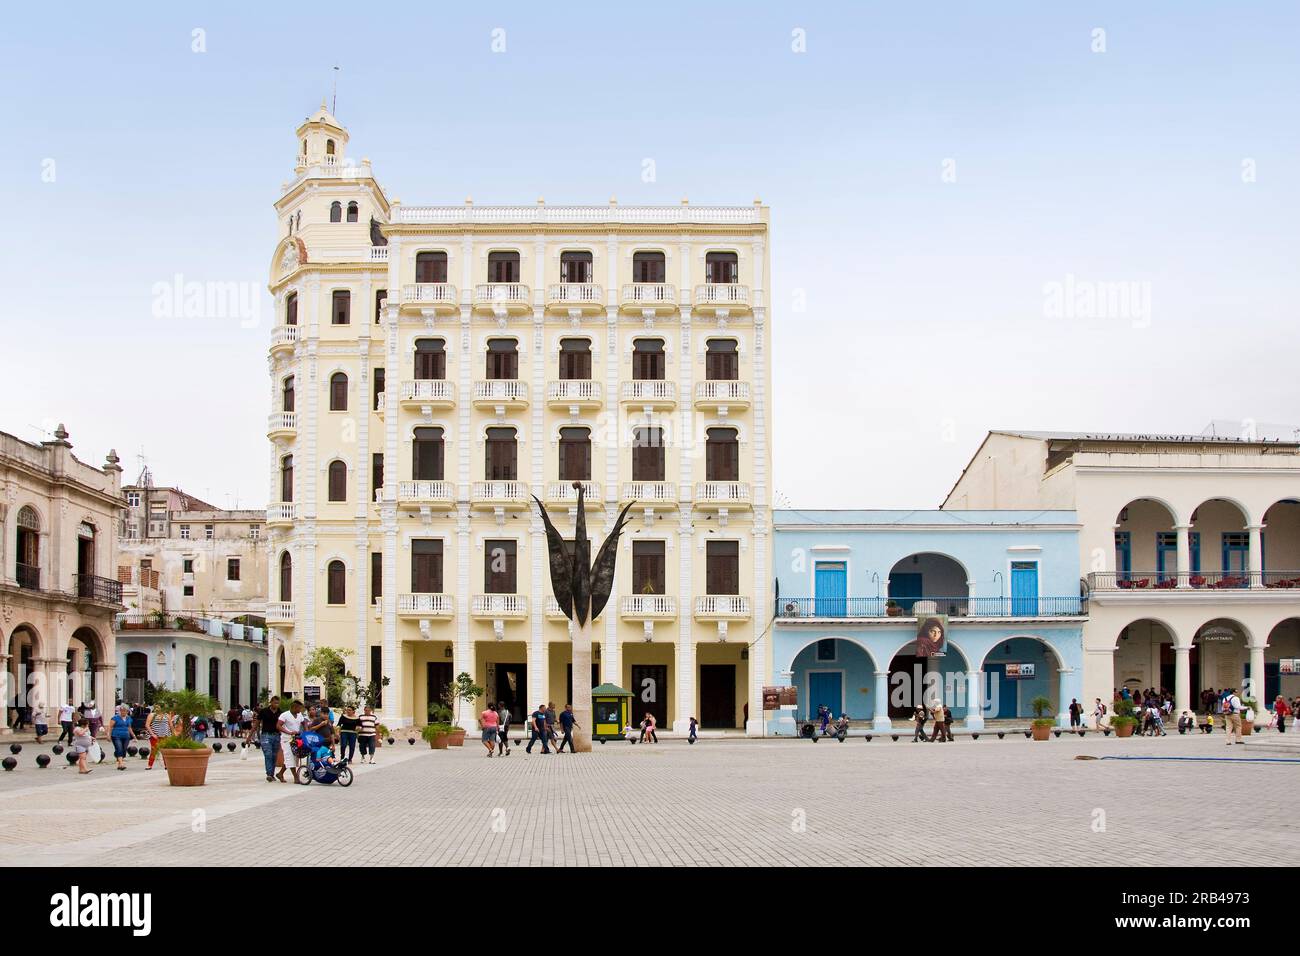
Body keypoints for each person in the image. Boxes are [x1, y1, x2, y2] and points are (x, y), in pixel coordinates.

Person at [277, 700, 307, 783]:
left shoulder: (299, 715)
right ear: (294, 707)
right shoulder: (284, 715)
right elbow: (278, 726)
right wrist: (289, 732)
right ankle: (296, 777)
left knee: (292, 757)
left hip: (296, 739)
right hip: (286, 739)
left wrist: (306, 733)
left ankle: (280, 773)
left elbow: (304, 723)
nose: (300, 710)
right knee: (290, 757)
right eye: (299, 708)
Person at [257, 696, 282, 781]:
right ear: (271, 702)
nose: (276, 705)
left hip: (276, 735)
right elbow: (257, 723)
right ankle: (269, 774)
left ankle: (272, 773)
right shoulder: (264, 711)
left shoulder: (280, 712)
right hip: (266, 735)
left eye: (278, 703)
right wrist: (250, 736)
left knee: (274, 755)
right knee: (268, 754)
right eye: (275, 702)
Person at [109, 704, 138, 771]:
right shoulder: (115, 718)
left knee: (124, 749)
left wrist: (134, 736)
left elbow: (129, 727)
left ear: (127, 711)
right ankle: (121, 763)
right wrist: (108, 735)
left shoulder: (129, 718)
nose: (123, 712)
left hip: (126, 736)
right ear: (120, 711)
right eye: (122, 711)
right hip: (116, 735)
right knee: (119, 748)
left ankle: (119, 763)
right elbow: (110, 727)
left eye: (125, 711)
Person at [146, 705, 174, 770]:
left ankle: (166, 765)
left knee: (165, 751)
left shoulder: (166, 715)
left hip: (165, 736)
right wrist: (152, 734)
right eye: (157, 707)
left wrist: (173, 734)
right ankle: (149, 765)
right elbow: (147, 725)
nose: (158, 708)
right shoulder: (152, 715)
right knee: (154, 750)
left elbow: (171, 725)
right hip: (155, 736)